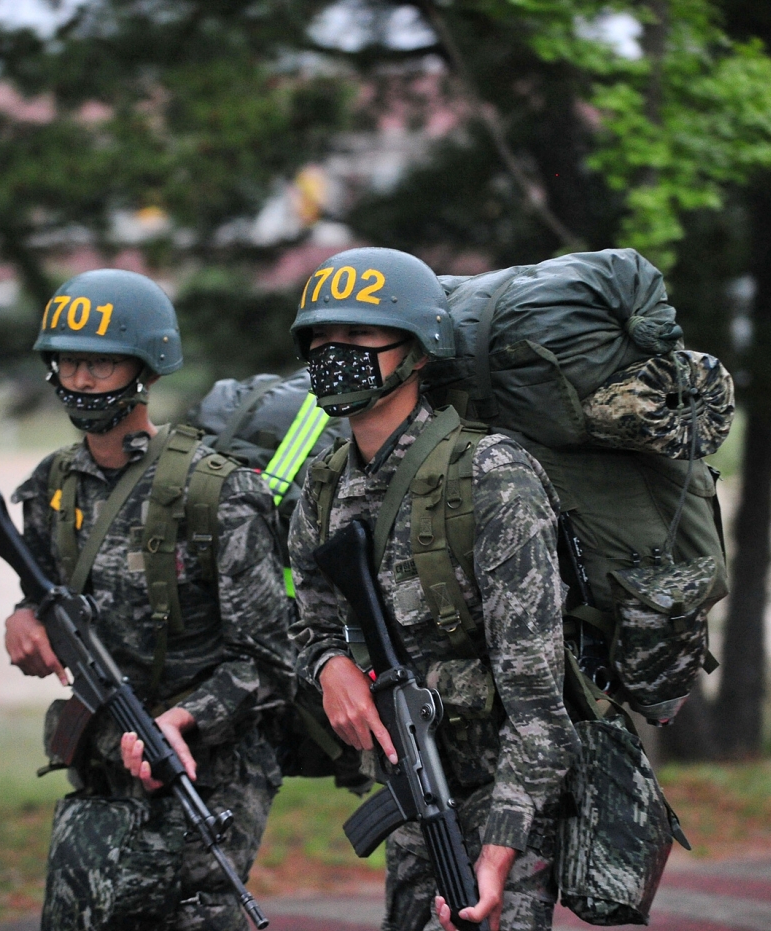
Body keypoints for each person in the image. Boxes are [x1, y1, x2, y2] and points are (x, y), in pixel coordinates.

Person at [286, 247, 577, 931]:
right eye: (321, 339)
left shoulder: (491, 475)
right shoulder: (322, 484)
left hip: (506, 799)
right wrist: (330, 666)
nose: (335, 353)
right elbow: (311, 625)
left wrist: (497, 856)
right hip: (409, 793)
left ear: (417, 352)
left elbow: (540, 706)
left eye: (358, 337)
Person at [2, 269, 294, 931]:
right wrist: (23, 619)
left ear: (146, 367)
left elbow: (270, 665)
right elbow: (38, 592)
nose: (79, 380)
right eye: (68, 361)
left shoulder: (214, 492)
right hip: (105, 753)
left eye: (100, 363)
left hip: (211, 764)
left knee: (194, 917)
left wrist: (182, 720)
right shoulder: (53, 485)